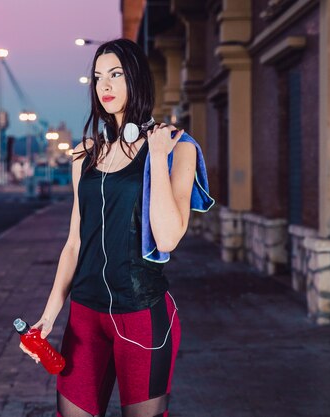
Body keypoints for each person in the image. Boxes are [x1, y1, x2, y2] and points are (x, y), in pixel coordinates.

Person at [19, 38, 199, 417]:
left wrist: (159, 157)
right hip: (84, 317)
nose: (105, 86)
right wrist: (49, 316)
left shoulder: (178, 148)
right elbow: (74, 243)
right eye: (98, 77)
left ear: (137, 79)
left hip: (142, 314)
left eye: (116, 74)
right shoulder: (85, 156)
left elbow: (167, 237)